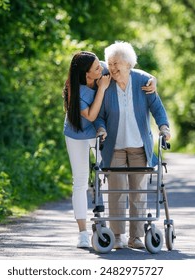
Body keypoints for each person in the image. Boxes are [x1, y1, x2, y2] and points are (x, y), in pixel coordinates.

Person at [63, 51, 157, 248]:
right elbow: (91, 115)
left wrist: (151, 78)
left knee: (110, 176)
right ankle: (82, 232)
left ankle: (114, 229)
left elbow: (127, 68)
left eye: (101, 64)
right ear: (87, 74)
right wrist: (102, 89)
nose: (104, 68)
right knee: (80, 181)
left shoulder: (101, 69)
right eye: (97, 68)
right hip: (77, 134)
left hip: (102, 133)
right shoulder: (76, 90)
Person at [94, 41, 171, 249]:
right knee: (116, 191)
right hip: (115, 147)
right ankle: (117, 236)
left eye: (116, 63)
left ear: (129, 64)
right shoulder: (107, 84)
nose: (112, 67)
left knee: (138, 192)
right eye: (110, 63)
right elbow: (99, 115)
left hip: (139, 147)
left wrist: (164, 128)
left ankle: (135, 237)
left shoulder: (143, 82)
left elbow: (158, 108)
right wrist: (101, 129)